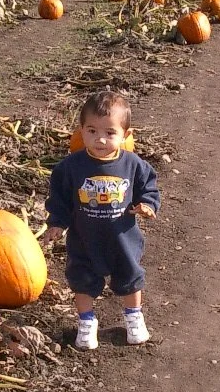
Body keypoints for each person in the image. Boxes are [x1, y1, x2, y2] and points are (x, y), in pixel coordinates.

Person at [41, 90, 160, 350]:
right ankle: (86, 321)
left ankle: (133, 316)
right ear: (81, 130)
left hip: (123, 238)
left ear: (126, 135)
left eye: (110, 132)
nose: (100, 139)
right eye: (92, 131)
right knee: (81, 279)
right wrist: (57, 223)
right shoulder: (70, 167)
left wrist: (148, 205)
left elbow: (148, 188)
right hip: (84, 238)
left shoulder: (133, 165)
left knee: (130, 276)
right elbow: (60, 199)